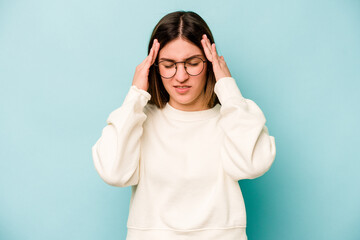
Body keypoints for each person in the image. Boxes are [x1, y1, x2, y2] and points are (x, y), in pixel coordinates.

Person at [92, 10, 276, 240]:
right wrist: (136, 95)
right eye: (168, 65)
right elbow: (113, 173)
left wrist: (227, 88)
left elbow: (252, 165)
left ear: (209, 63)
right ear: (154, 68)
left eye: (192, 63)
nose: (181, 76)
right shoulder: (139, 120)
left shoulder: (233, 118)